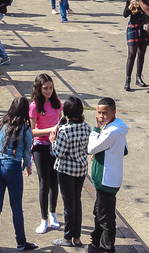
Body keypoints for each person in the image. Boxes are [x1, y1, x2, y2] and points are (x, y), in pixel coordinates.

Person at [0, 96, 37, 252]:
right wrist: (27, 166)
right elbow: (28, 151)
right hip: (13, 167)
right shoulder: (25, 128)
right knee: (16, 208)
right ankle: (21, 243)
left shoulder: (1, 122)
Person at [88, 97, 129, 253]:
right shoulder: (118, 128)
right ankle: (96, 243)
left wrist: (96, 130)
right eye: (98, 113)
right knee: (99, 212)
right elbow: (124, 150)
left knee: (105, 218)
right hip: (110, 178)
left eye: (104, 113)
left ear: (113, 112)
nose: (101, 116)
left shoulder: (111, 131)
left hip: (106, 179)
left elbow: (91, 148)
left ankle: (107, 248)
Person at [51, 96, 90, 249]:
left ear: (66, 112)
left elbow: (58, 153)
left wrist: (53, 141)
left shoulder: (64, 130)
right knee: (77, 202)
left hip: (66, 171)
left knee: (68, 204)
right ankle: (77, 237)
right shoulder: (86, 127)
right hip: (80, 170)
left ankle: (67, 238)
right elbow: (88, 149)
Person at [30, 74, 63, 235]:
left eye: (51, 87)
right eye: (45, 88)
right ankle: (44, 219)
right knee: (44, 182)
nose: (49, 91)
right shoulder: (34, 106)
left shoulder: (57, 103)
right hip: (40, 146)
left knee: (54, 181)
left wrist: (57, 132)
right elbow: (32, 131)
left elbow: (61, 121)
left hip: (55, 146)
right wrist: (50, 130)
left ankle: (52, 213)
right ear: (38, 88)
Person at [124, 0, 149, 91]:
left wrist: (139, 0)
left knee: (142, 52)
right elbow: (125, 14)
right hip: (133, 26)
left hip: (144, 26)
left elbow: (148, 12)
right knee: (131, 53)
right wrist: (130, 6)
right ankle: (127, 80)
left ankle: (139, 77)